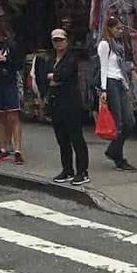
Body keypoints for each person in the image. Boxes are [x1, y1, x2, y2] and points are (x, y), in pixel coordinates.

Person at [38, 29, 89, 186]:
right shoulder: (50, 59)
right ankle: (67, 169)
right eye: (55, 41)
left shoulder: (71, 59)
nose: (58, 43)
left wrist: (54, 76)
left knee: (76, 138)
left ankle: (82, 171)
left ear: (67, 41)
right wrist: (53, 77)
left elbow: (64, 75)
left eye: (61, 40)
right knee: (62, 139)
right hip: (56, 102)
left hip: (71, 102)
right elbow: (43, 77)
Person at [97, 15, 136, 171]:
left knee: (129, 121)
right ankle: (118, 157)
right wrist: (104, 89)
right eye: (117, 28)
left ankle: (113, 150)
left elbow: (120, 67)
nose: (120, 31)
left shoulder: (118, 45)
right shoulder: (105, 44)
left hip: (119, 82)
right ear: (109, 28)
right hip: (110, 82)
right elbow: (103, 67)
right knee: (119, 122)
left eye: (121, 28)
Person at [0, 22, 24, 164]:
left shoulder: (11, 46)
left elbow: (19, 64)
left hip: (10, 84)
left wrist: (6, 60)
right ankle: (2, 148)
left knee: (13, 116)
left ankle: (17, 149)